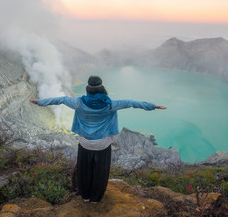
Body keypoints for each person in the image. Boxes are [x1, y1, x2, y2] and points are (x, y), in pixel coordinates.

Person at [29, 75, 166, 203]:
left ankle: (85, 197)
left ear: (88, 89)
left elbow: (61, 99)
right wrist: (153, 106)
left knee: (84, 170)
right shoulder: (110, 104)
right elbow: (131, 103)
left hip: (85, 143)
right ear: (102, 88)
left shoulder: (78, 102)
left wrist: (39, 102)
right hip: (102, 145)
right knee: (100, 172)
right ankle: (95, 198)